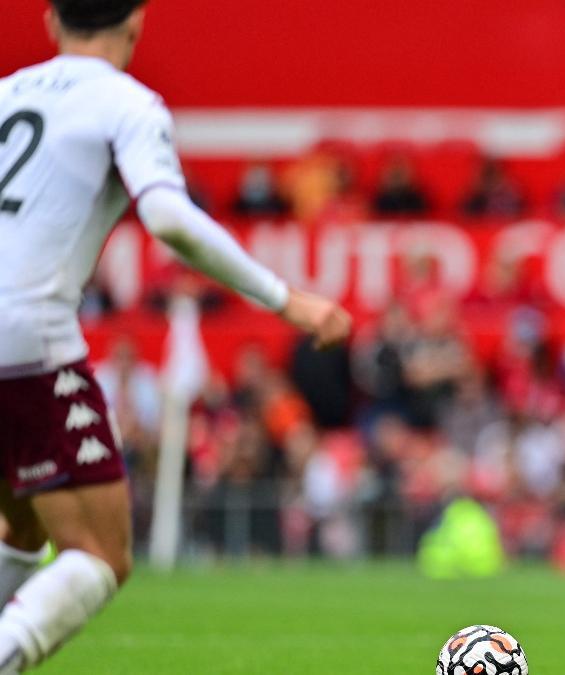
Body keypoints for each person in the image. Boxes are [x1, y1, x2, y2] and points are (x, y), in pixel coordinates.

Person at [0, 2, 352, 671]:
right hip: (27, 335)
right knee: (101, 553)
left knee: (21, 523)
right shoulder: (127, 103)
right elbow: (167, 216)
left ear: (50, 21)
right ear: (135, 21)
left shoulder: (4, 94)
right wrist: (289, 299)